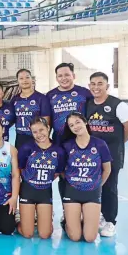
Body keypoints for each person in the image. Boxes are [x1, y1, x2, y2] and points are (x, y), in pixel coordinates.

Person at [86, 71, 128, 237]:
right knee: (92, 186)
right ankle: (97, 216)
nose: (96, 87)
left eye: (100, 84)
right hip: (92, 156)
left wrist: (117, 144)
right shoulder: (88, 104)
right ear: (89, 86)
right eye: (93, 84)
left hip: (112, 155)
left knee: (109, 188)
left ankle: (110, 221)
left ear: (107, 86)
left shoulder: (118, 105)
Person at [61, 112, 112, 243]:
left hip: (92, 193)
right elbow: (61, 170)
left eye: (78, 122)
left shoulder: (100, 144)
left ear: (85, 122)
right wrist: (72, 180)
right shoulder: (67, 146)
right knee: (75, 237)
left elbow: (107, 169)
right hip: (72, 192)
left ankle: (85, 221)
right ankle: (67, 222)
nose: (75, 126)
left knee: (90, 238)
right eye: (71, 125)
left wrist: (98, 185)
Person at [47, 63, 92, 210]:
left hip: (81, 141)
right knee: (63, 175)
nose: (64, 78)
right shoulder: (51, 95)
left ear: (73, 75)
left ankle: (86, 210)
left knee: (83, 174)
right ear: (56, 78)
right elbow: (47, 120)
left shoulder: (84, 93)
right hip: (60, 141)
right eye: (60, 75)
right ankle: (68, 211)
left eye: (67, 74)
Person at [16, 117, 66, 239]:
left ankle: (45, 216)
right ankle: (19, 219)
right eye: (35, 132)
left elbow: (57, 173)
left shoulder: (58, 151)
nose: (39, 134)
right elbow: (21, 169)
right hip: (28, 191)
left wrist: (43, 181)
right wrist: (32, 178)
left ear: (48, 128)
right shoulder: (26, 148)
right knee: (28, 234)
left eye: (41, 130)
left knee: (45, 234)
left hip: (45, 192)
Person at [11, 69, 51, 150]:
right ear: (18, 81)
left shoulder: (41, 98)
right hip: (20, 137)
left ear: (31, 79)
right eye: (21, 78)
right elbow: (11, 119)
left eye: (27, 77)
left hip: (37, 137)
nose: (24, 80)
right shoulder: (15, 99)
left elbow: (46, 120)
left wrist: (43, 137)